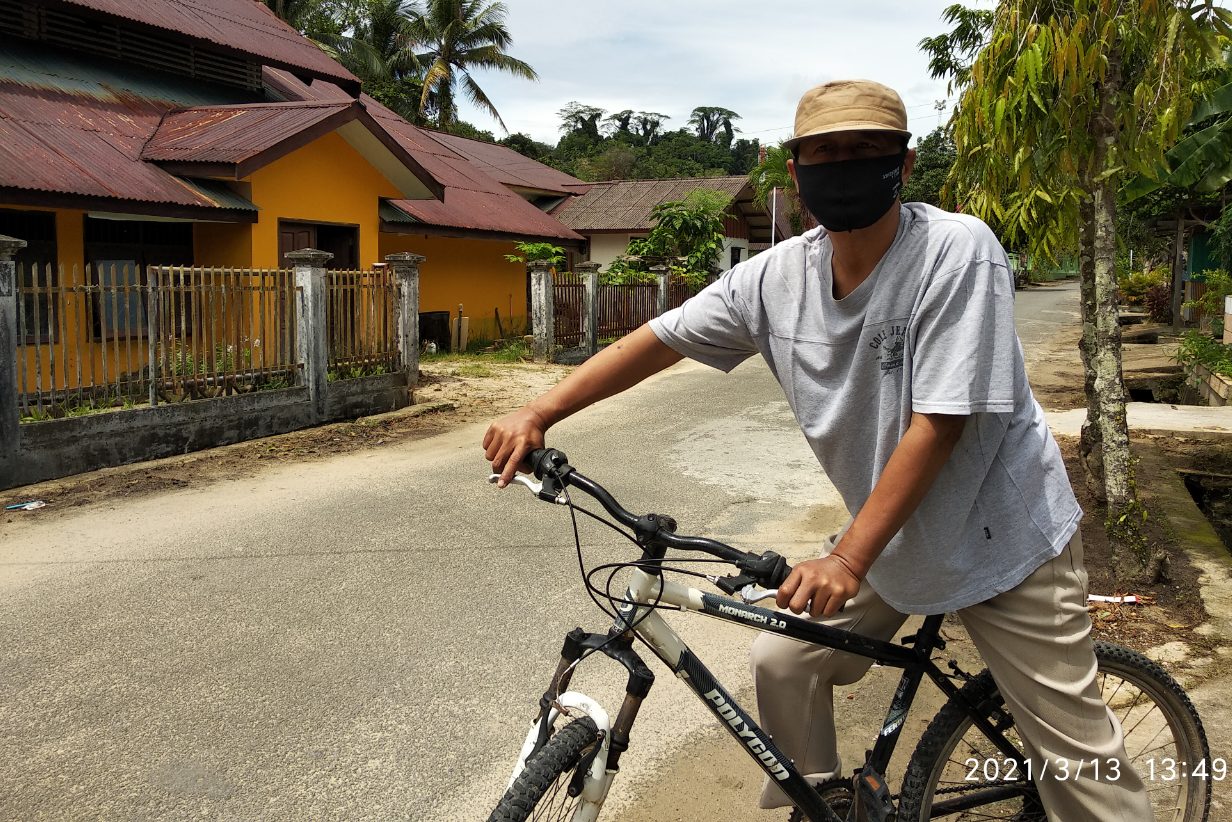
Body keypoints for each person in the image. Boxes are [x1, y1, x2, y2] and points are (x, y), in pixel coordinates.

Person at [484, 79, 1154, 821]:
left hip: (1003, 544)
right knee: (781, 656)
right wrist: (539, 409)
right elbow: (661, 339)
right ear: (796, 173)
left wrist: (844, 560)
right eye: (825, 152)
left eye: (866, 150)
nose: (845, 165)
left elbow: (940, 424)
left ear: (902, 161)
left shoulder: (957, 253)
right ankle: (825, 805)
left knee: (1081, 773)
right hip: (894, 540)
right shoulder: (775, 278)